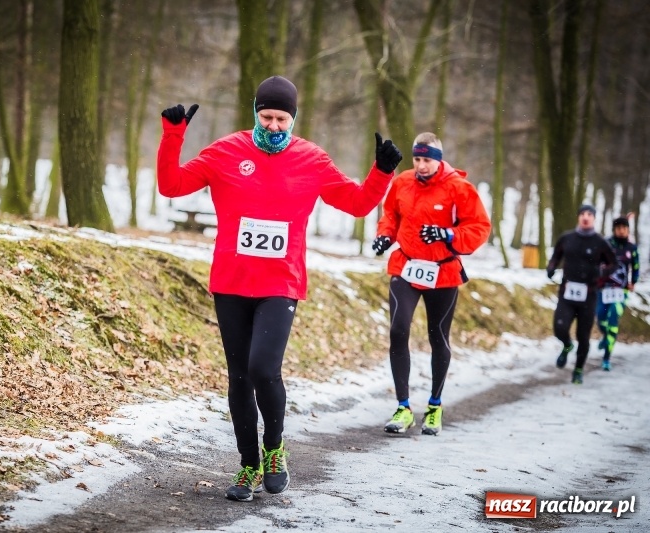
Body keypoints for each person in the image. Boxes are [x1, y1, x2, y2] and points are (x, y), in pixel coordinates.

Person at [156, 75, 403, 502]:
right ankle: (248, 465)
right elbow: (171, 185)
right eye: (267, 117)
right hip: (231, 282)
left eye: (282, 119)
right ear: (256, 113)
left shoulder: (312, 159)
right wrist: (173, 135)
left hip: (281, 283)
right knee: (238, 377)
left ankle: (275, 449)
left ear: (293, 119)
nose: (273, 126)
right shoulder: (226, 151)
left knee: (263, 369)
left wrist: (381, 171)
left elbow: (358, 203)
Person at [372, 132, 490, 436]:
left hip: (443, 271)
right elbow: (391, 216)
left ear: (439, 160)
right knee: (398, 330)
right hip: (407, 266)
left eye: (427, 160)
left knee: (438, 336)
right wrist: (386, 236)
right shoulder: (403, 182)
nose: (421, 165)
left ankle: (435, 406)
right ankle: (403, 407)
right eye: (417, 159)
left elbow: (479, 227)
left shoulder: (459, 188)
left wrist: (448, 236)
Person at [546, 204, 617, 384]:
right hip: (567, 292)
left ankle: (578, 370)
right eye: (583, 214)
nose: (586, 217)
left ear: (594, 218)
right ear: (578, 217)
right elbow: (556, 256)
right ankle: (567, 345)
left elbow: (613, 264)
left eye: (589, 214)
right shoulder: (567, 238)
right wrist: (551, 268)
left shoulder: (600, 243)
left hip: (589, 295)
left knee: (583, 336)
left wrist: (602, 272)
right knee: (559, 327)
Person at [595, 216, 640, 370]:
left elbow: (636, 266)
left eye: (624, 228)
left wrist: (633, 282)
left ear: (628, 230)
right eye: (619, 228)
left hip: (621, 291)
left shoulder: (631, 248)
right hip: (604, 289)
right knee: (601, 316)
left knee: (613, 318)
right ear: (614, 229)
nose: (622, 230)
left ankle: (606, 358)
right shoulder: (606, 244)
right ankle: (604, 334)